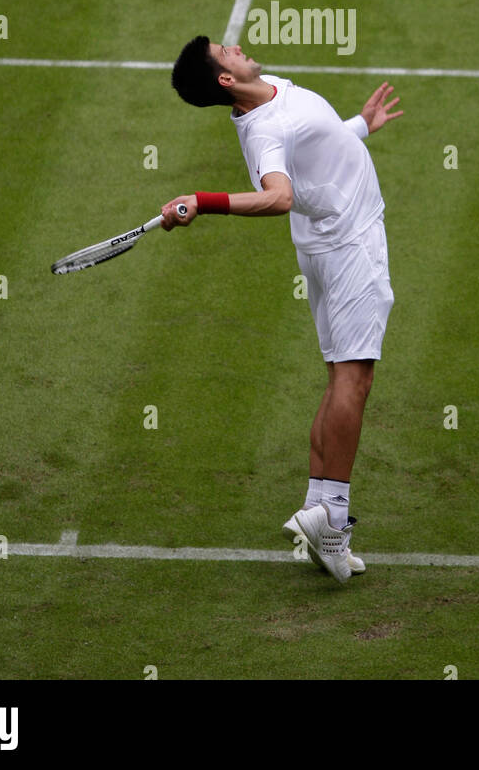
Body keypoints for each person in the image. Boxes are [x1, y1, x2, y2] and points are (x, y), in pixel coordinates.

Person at [163, 36, 402, 583]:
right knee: (354, 382)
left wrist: (359, 128)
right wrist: (203, 201)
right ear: (225, 79)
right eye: (226, 50)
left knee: (340, 376)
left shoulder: (271, 99)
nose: (238, 46)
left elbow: (315, 145)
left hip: (330, 244)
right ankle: (333, 518)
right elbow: (278, 196)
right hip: (349, 248)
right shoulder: (262, 129)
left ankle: (323, 515)